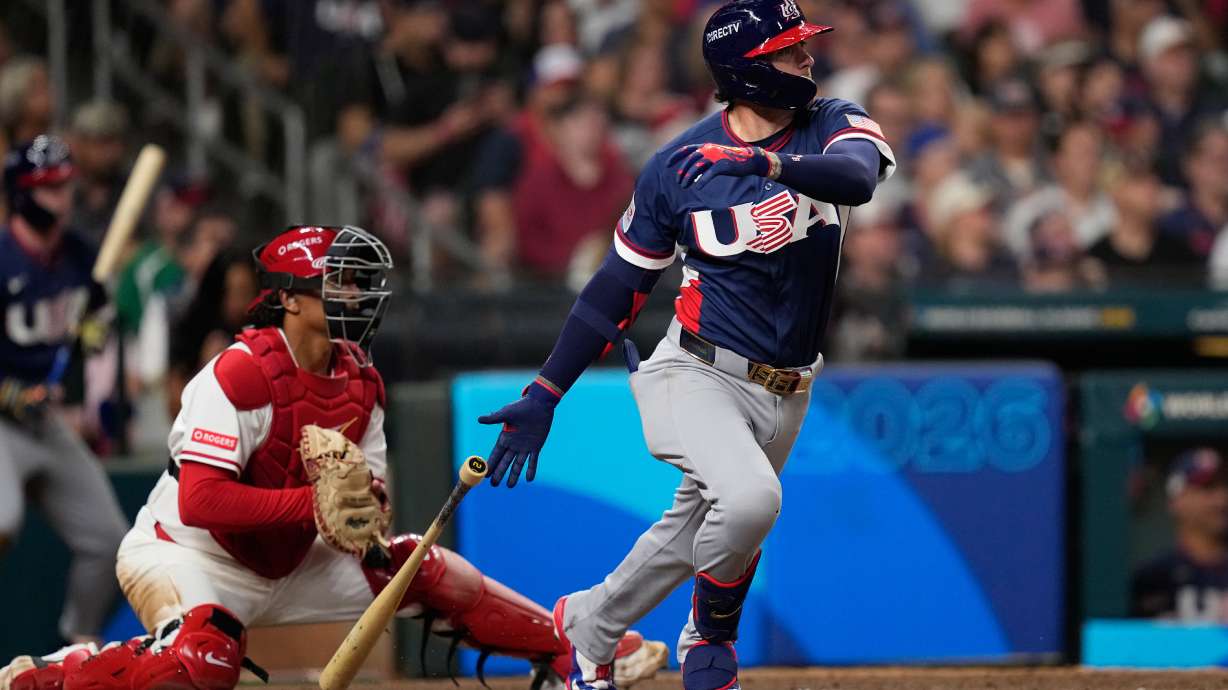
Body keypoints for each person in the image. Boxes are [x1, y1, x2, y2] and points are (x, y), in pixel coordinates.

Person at [0, 226, 667, 690]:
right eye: (334, 284)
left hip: (293, 558)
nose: (352, 295)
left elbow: (364, 503)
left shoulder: (361, 380)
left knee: (417, 564)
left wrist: (363, 513)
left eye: (355, 282)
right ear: (288, 298)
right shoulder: (240, 374)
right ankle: (58, 674)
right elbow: (201, 502)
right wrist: (309, 504)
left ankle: (569, 648)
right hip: (188, 551)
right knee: (204, 663)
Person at [476, 2, 895, 689]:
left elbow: (857, 179)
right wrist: (546, 392)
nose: (807, 58)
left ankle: (588, 629)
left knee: (692, 530)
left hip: (789, 384)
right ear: (748, 71)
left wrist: (762, 162)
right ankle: (710, 635)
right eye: (790, 51)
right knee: (751, 501)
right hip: (697, 372)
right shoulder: (678, 165)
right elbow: (617, 286)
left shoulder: (832, 119)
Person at [0, 135, 129, 643]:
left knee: (108, 539)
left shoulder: (80, 255)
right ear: (22, 193)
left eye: (65, 185)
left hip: (45, 419)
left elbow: (92, 333)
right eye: (49, 188)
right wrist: (11, 394)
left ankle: (80, 643)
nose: (62, 197)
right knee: (2, 518)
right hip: (4, 418)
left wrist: (94, 325)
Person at [1132, 448, 1228, 621]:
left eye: (1224, 486)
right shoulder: (1153, 578)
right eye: (1207, 488)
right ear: (1176, 500)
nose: (1221, 499)